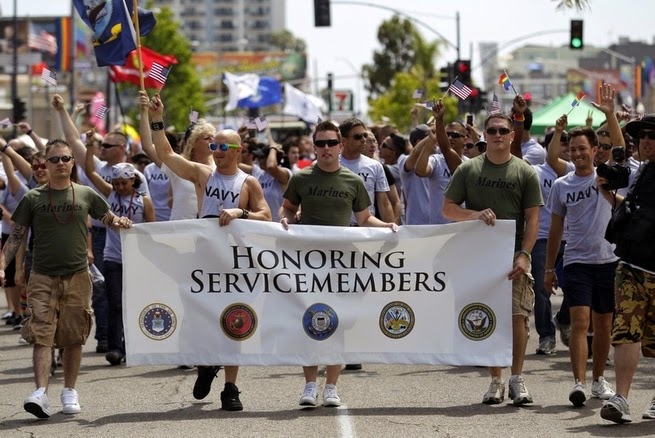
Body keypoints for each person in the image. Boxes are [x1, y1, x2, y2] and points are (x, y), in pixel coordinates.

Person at [148, 92, 271, 411]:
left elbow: (266, 216)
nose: (215, 152)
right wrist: (156, 118)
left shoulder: (248, 182)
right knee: (201, 317)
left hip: (235, 263)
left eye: (222, 147)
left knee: (236, 321)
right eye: (213, 146)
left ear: (237, 150)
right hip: (204, 257)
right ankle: (206, 364)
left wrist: (240, 213)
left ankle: (231, 387)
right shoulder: (203, 175)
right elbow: (165, 154)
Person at [0, 139, 132, 419]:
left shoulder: (85, 193)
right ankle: (40, 392)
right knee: (41, 335)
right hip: (43, 276)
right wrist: (3, 265)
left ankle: (69, 390)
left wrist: (119, 222)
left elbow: (107, 217)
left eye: (66, 159)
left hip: (77, 276)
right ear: (45, 165)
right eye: (55, 159)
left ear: (73, 163)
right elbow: (16, 235)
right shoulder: (33, 198)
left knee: (74, 337)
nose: (61, 163)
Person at [279, 120, 398, 408]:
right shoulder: (301, 178)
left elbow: (364, 218)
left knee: (338, 322)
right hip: (307, 262)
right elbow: (288, 208)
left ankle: (331, 386)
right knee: (308, 320)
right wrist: (283, 217)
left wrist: (388, 226)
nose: (326, 148)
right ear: (315, 146)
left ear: (340, 146)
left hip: (343, 261)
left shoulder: (353, 181)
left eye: (332, 143)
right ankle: (309, 384)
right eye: (320, 143)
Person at [443, 112, 542, 406]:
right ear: (484, 135)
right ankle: (495, 379)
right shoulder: (468, 170)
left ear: (513, 135)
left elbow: (533, 219)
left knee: (518, 318)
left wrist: (525, 255)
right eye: (492, 130)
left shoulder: (525, 172)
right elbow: (448, 209)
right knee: (488, 317)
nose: (497, 135)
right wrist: (473, 214)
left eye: (503, 130)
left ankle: (517, 378)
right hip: (478, 257)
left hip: (513, 256)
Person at [544, 86, 621, 408]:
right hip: (576, 261)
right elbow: (555, 229)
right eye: (571, 149)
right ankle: (577, 382)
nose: (576, 154)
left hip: (608, 260)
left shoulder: (606, 175)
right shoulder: (562, 185)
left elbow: (619, 146)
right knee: (580, 322)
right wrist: (549, 268)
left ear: (594, 150)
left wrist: (610, 114)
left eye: (581, 149)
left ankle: (599, 379)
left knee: (604, 323)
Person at [598, 114, 655, 424]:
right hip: (632, 266)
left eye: (652, 136)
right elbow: (635, 212)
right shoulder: (644, 170)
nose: (645, 140)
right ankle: (621, 398)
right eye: (642, 135)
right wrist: (608, 193)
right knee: (626, 330)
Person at [85, 148, 155, 365]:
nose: (119, 187)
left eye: (123, 183)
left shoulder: (145, 201)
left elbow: (152, 229)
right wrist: (89, 147)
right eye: (115, 183)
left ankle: (132, 345)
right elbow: (90, 172)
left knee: (134, 302)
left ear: (133, 180)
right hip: (112, 256)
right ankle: (116, 348)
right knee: (114, 303)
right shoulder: (109, 194)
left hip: (136, 258)